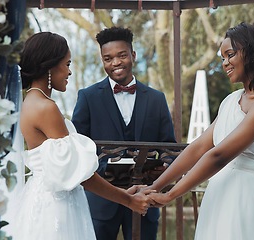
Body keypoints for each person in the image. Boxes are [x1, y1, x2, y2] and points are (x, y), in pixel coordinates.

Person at [145, 22, 254, 240]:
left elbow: (219, 156)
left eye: (230, 55)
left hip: (247, 199)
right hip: (219, 196)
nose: (225, 63)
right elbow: (199, 147)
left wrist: (172, 194)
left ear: (251, 52)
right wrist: (155, 186)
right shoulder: (230, 101)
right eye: (222, 58)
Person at [10, 32, 153, 240]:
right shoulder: (45, 108)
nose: (69, 72)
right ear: (50, 66)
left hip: (43, 198)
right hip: (57, 206)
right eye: (67, 64)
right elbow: (81, 174)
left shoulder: (30, 102)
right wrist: (128, 200)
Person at [71, 26, 176, 240]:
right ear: (102, 61)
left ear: (133, 56)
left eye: (121, 56)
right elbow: (77, 147)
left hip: (145, 199)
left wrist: (164, 167)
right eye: (108, 59)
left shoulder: (156, 99)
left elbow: (169, 147)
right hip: (101, 201)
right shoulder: (88, 97)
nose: (115, 63)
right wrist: (103, 169)